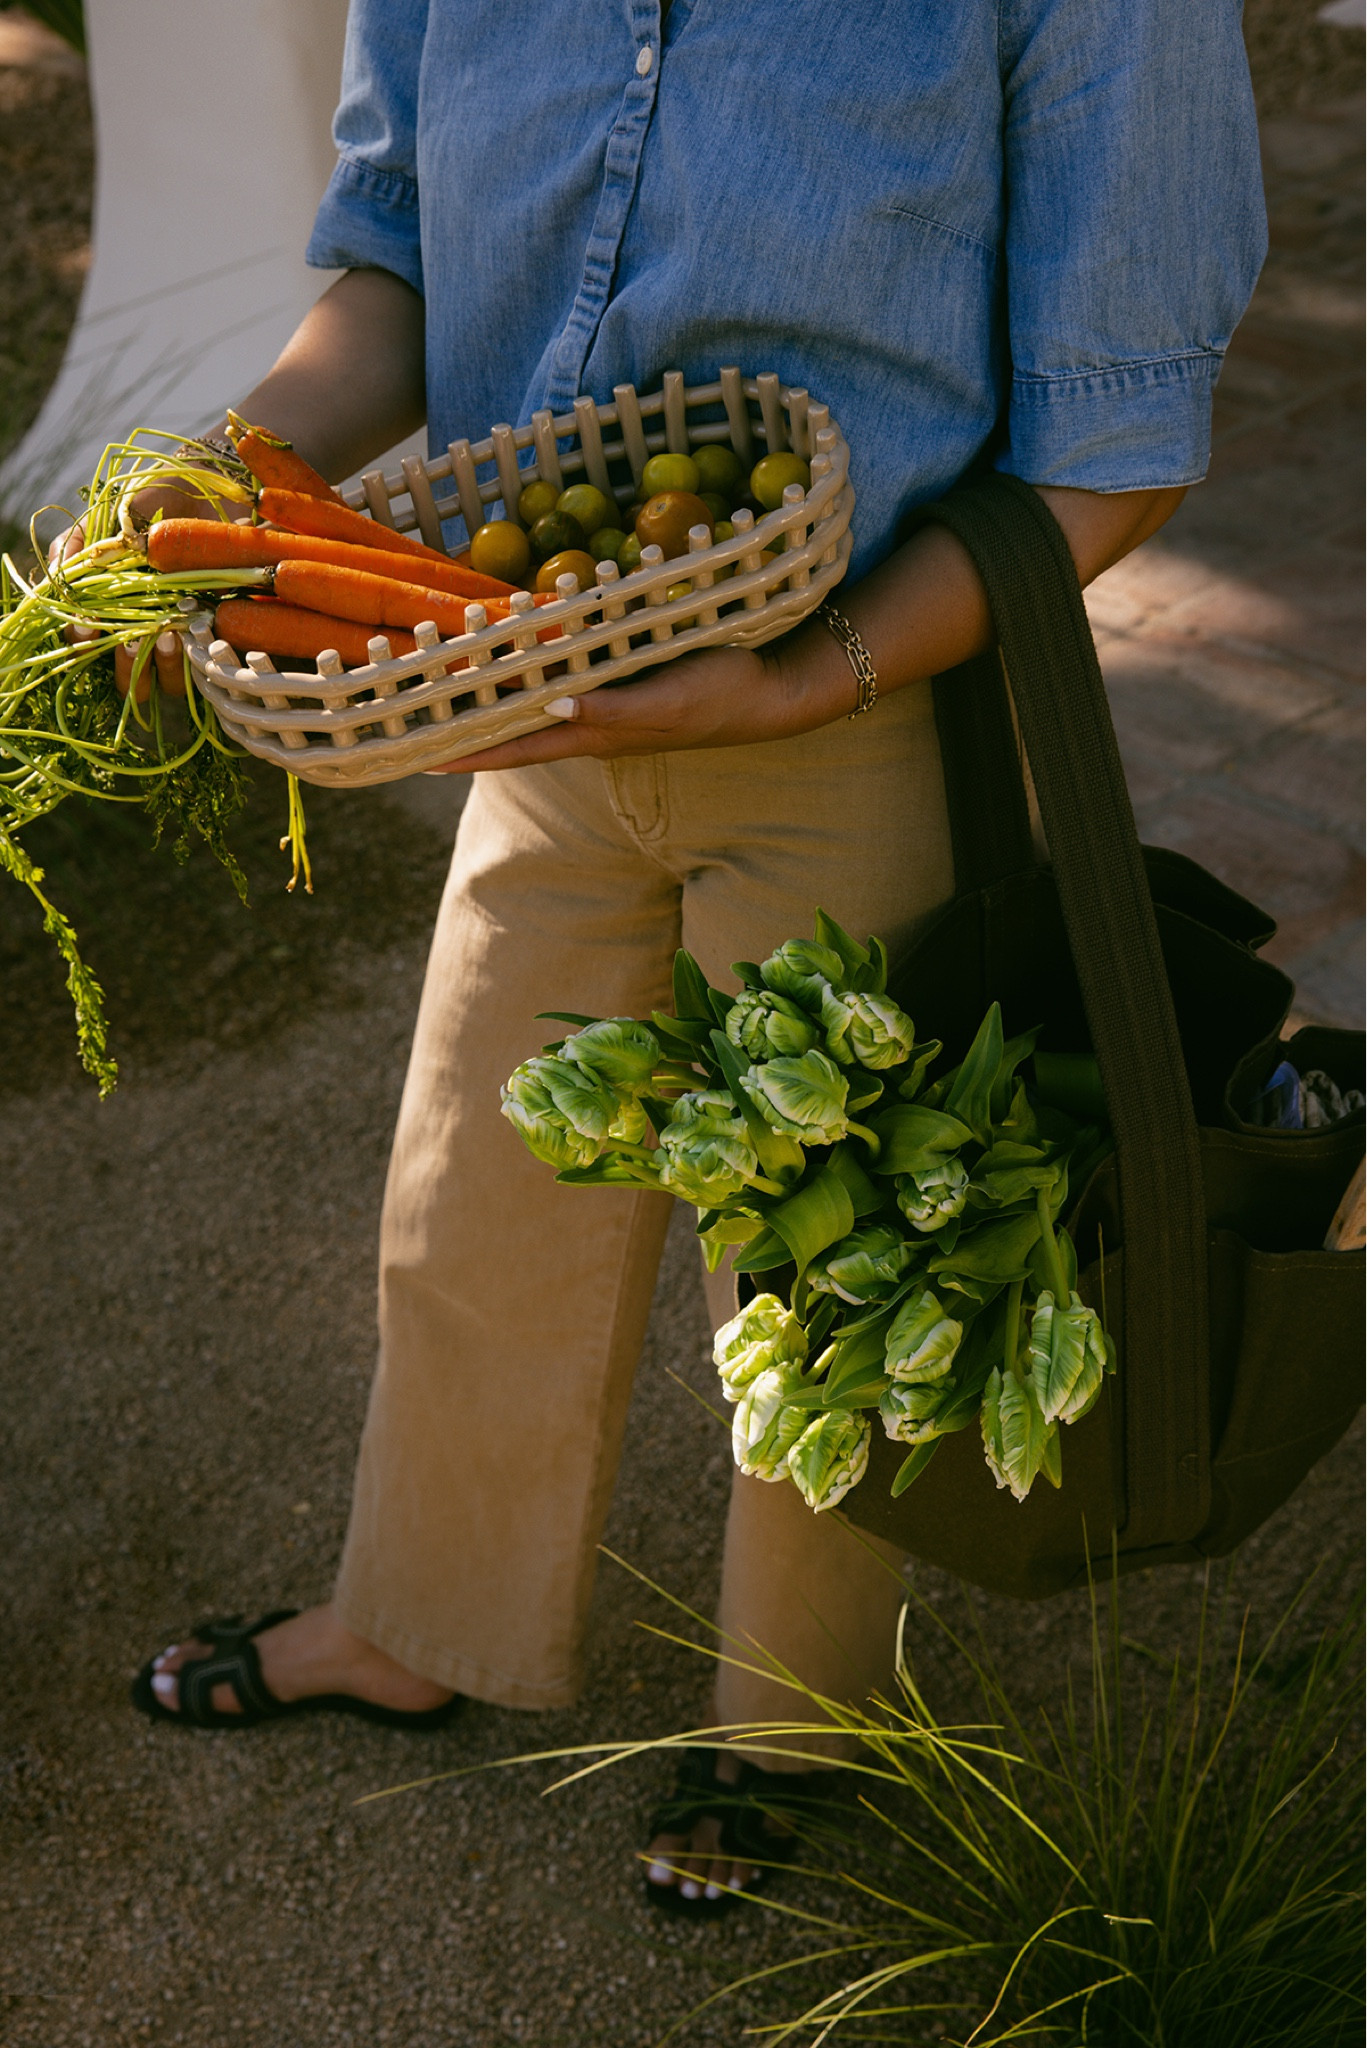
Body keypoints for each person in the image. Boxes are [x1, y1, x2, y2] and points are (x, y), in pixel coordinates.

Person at [128, 0, 1265, 1911]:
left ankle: (795, 1731)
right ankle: (417, 1625)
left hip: (862, 710)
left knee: (824, 1256)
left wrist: (800, 677)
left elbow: (1118, 451)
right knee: (473, 1201)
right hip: (527, 697)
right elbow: (393, 256)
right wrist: (234, 473)